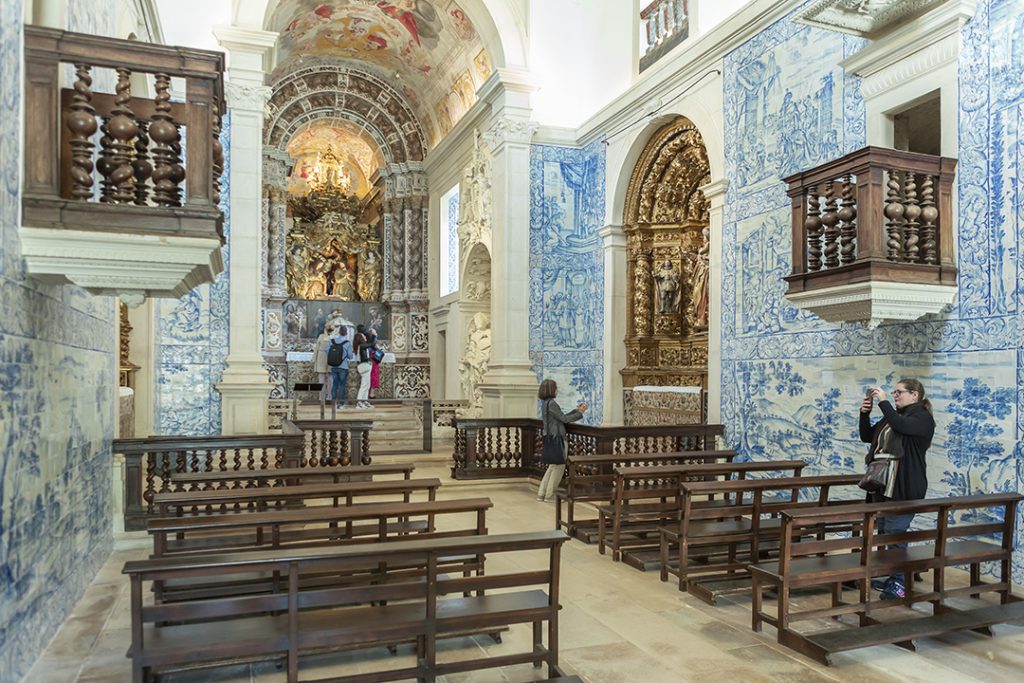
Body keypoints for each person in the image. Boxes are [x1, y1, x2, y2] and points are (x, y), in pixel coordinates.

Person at [859, 378, 935, 600]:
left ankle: (900, 582)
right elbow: (867, 436)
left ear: (915, 395)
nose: (895, 396)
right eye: (893, 393)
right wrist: (865, 414)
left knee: (896, 533)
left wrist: (883, 402)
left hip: (904, 486)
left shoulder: (922, 418)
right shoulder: (893, 416)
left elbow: (902, 427)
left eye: (899, 392)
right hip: (882, 484)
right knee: (883, 531)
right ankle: (891, 575)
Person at [536, 379, 587, 503]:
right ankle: (550, 495)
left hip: (550, 437)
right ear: (550, 390)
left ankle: (542, 493)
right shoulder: (552, 403)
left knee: (553, 466)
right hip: (557, 438)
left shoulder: (545, 403)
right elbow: (564, 419)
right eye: (555, 388)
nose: (557, 390)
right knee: (559, 466)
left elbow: (560, 417)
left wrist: (576, 411)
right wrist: (580, 413)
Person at [327, 327, 353, 409]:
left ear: (339, 332)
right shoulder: (347, 343)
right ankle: (341, 404)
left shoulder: (332, 341)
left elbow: (326, 351)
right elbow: (350, 356)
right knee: (342, 385)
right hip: (343, 366)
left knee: (334, 384)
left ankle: (333, 403)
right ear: (346, 333)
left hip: (333, 365)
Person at [352, 324, 372, 409]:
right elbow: (372, 343)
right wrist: (373, 335)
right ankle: (359, 402)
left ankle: (365, 400)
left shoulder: (361, 345)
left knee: (367, 384)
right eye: (363, 337)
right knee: (364, 385)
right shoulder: (362, 346)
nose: (365, 338)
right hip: (364, 365)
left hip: (365, 364)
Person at [312, 324, 334, 402]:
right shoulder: (333, 337)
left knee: (321, 377)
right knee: (330, 377)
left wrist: (314, 359)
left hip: (321, 357)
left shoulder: (321, 337)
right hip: (331, 357)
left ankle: (321, 397)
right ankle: (330, 396)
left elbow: (316, 348)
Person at [368, 329, 382, 399]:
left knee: (372, 377)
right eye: (375, 332)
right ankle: (371, 394)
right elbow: (375, 348)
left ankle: (371, 393)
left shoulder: (368, 341)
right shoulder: (373, 341)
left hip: (371, 361)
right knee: (374, 377)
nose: (376, 333)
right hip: (373, 361)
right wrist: (375, 336)